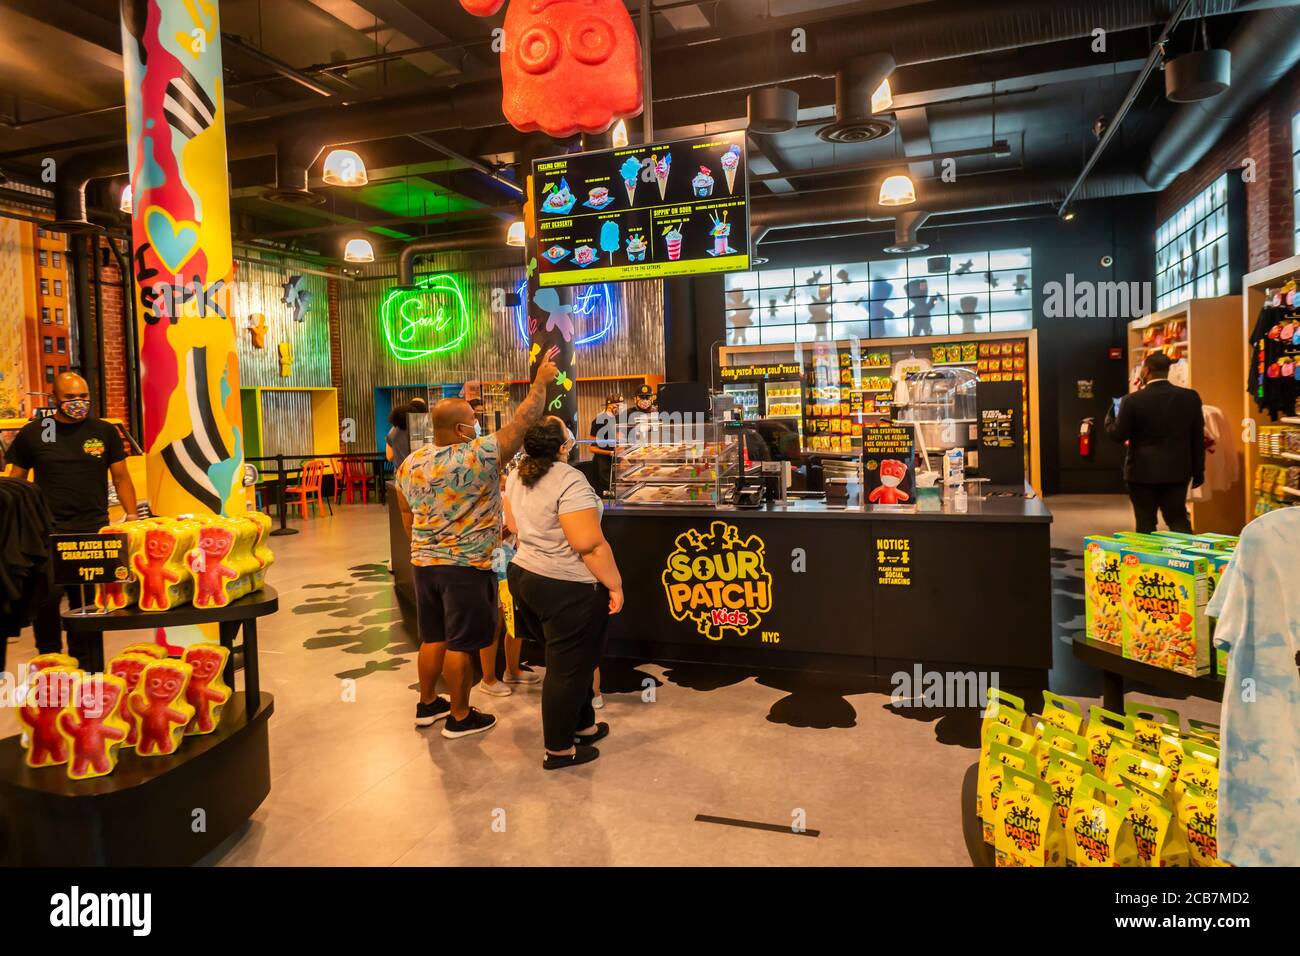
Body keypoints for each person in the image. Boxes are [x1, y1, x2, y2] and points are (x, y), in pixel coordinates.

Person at [395, 353, 558, 738]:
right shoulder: (478, 454)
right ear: (461, 427)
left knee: (431, 636)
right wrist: (539, 383)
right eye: (473, 420)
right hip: (465, 569)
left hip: (424, 564)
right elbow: (523, 423)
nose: (478, 424)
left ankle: (426, 704)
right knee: (460, 643)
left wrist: (425, 546)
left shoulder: (411, 463)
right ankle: (460, 714)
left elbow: (406, 513)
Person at [505, 417, 623, 769]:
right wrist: (615, 585)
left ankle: (584, 727)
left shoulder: (517, 474)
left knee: (577, 660)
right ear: (561, 448)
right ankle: (558, 750)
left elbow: (513, 526)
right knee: (566, 670)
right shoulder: (569, 478)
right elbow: (588, 544)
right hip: (567, 586)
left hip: (526, 575)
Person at [4, 372, 139, 656]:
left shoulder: (103, 432)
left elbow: (122, 478)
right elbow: (15, 480)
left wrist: (132, 518)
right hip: (47, 532)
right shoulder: (36, 432)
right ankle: (50, 660)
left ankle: (89, 666)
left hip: (93, 531)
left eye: (83, 397)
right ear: (54, 399)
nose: (78, 402)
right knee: (47, 600)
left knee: (89, 604)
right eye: (70, 397)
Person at [1105, 351, 1205, 534]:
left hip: (1141, 472)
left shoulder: (1132, 400)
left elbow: (1119, 435)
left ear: (1147, 370)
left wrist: (1109, 421)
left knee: (1145, 523)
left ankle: (1145, 562)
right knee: (1178, 519)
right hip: (1177, 471)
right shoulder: (1190, 397)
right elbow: (1197, 437)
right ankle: (1184, 560)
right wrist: (1199, 471)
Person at [475, 470, 541, 697]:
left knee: (515, 616)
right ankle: (488, 678)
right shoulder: (480, 499)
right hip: (492, 564)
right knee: (495, 619)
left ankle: (512, 669)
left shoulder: (511, 494)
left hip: (514, 561)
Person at [588, 394, 622, 497]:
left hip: (613, 462)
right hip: (602, 464)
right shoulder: (600, 420)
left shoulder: (617, 419)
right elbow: (592, 447)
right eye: (618, 405)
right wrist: (610, 452)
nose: (620, 408)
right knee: (606, 495)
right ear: (610, 405)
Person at [385, 397, 428, 470]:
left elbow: (389, 456)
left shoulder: (392, 432)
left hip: (401, 472)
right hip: (420, 472)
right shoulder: (424, 430)